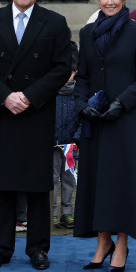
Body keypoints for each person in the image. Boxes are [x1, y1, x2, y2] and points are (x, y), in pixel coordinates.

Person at [0, 0, 71, 271]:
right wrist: (5, 96)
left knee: (38, 185)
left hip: (37, 113)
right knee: (2, 184)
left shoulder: (54, 22)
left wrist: (29, 96)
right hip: (2, 112)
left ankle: (38, 247)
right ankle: (0, 248)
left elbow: (61, 67)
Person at [74, 0, 136, 272]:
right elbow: (82, 75)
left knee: (122, 181)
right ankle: (102, 241)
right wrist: (82, 104)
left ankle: (121, 244)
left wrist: (122, 103)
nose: (109, 2)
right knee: (97, 180)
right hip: (95, 119)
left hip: (125, 120)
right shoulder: (86, 33)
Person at [53, 41, 80, 229]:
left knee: (69, 178)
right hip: (53, 144)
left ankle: (67, 212)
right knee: (52, 178)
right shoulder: (50, 93)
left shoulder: (78, 94)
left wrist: (76, 138)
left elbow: (82, 118)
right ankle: (53, 212)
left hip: (71, 145)